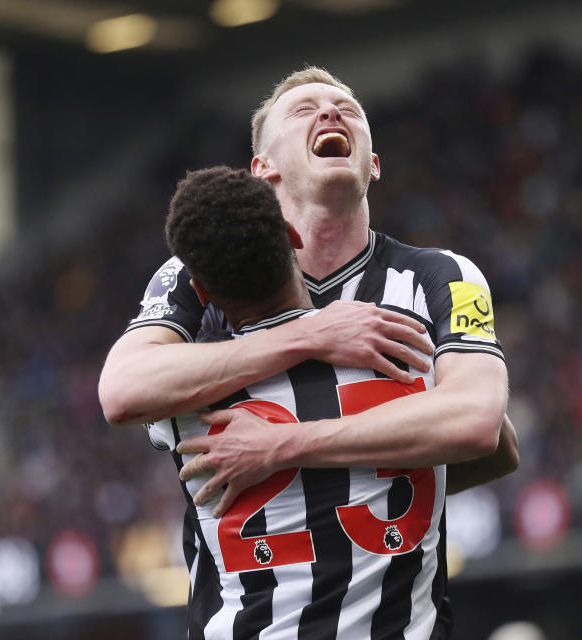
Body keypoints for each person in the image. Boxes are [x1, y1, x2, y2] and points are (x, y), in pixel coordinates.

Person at [100, 67, 518, 637]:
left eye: (348, 108)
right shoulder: (203, 268)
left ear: (373, 163)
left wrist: (287, 447)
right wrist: (310, 336)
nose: (330, 112)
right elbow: (122, 389)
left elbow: (485, 431)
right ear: (261, 169)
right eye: (303, 110)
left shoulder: (441, 275)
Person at [154, 165, 442, 639]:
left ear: (202, 292)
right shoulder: (407, 350)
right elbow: (490, 442)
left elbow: (125, 392)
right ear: (293, 236)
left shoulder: (179, 404)